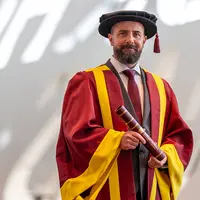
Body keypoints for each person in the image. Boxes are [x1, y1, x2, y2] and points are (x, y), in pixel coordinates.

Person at [56, 10, 193, 200]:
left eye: (136, 34)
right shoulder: (87, 81)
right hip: (107, 190)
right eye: (123, 34)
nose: (130, 40)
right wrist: (116, 140)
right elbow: (75, 133)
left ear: (145, 40)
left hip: (151, 189)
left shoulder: (161, 87)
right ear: (110, 39)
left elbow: (178, 135)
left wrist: (165, 157)